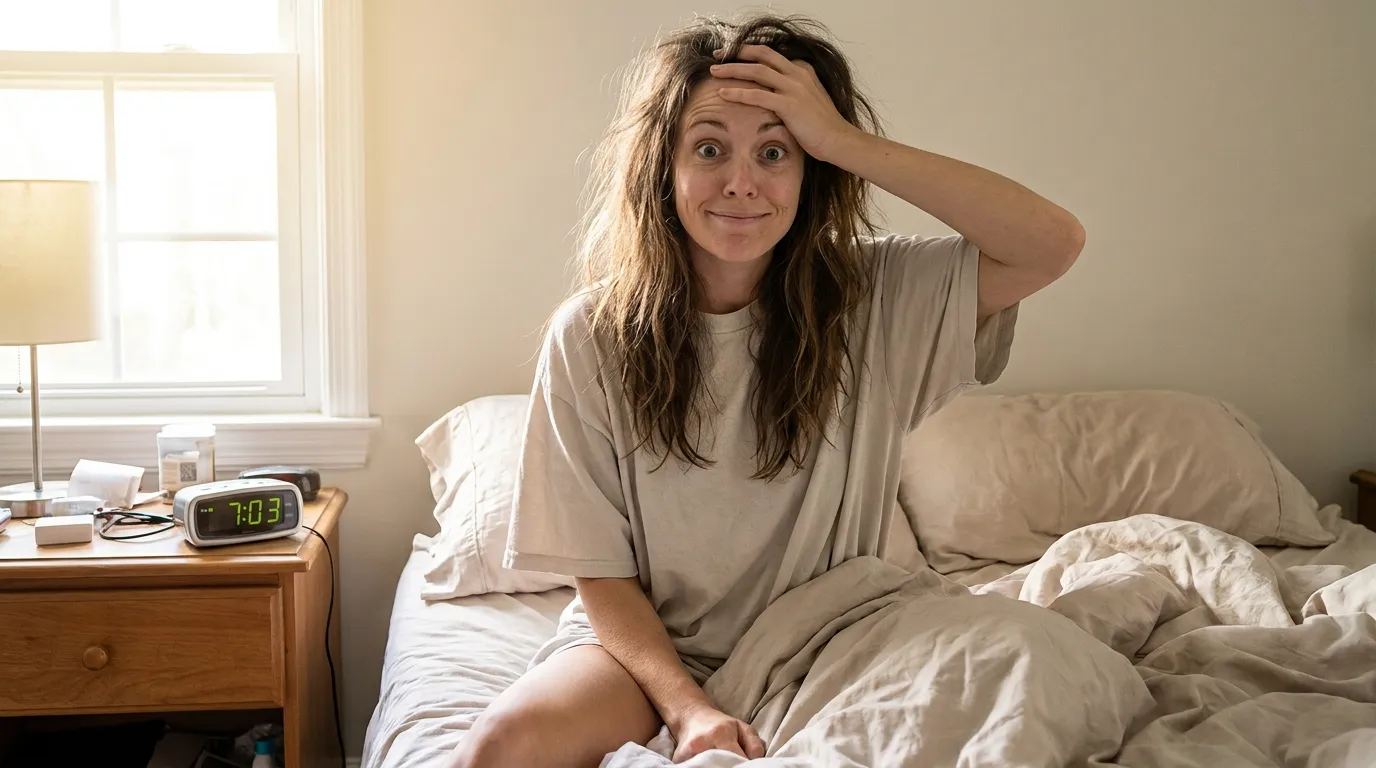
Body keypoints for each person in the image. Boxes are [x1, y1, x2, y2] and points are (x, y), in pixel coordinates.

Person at [451, 11, 1083, 768]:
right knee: (497, 747)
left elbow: (1052, 243)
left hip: (840, 630)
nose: (741, 183)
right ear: (665, 168)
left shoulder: (877, 295)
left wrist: (842, 139)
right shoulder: (592, 334)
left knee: (1025, 683)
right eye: (709, 148)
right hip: (648, 651)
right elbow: (601, 573)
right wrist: (690, 711)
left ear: (811, 167)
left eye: (777, 152)